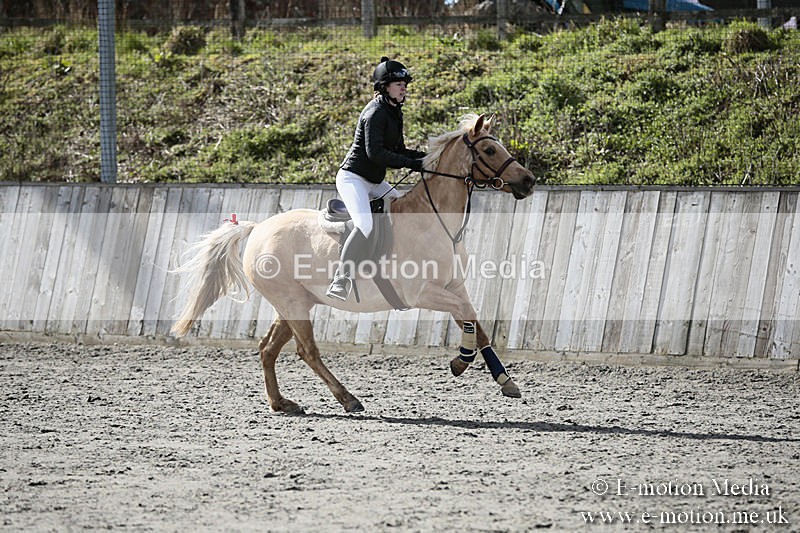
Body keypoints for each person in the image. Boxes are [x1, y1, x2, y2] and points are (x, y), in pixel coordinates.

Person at [326, 57, 427, 301]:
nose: (404, 87)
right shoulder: (376, 113)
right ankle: (342, 278)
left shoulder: (394, 112)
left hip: (374, 181)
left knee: (402, 207)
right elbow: (376, 153)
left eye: (405, 83)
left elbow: (400, 150)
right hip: (353, 179)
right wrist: (412, 163)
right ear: (384, 87)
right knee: (365, 223)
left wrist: (427, 159)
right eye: (398, 83)